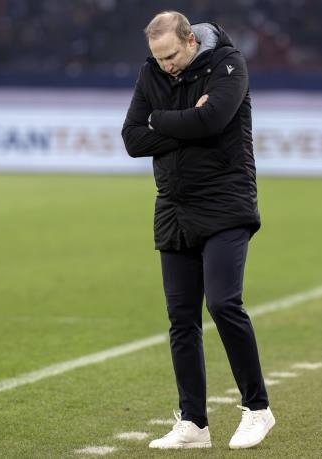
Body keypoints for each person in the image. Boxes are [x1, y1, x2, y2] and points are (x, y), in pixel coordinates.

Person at [121, 10, 274, 450]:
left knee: (223, 303)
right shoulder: (151, 72)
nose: (165, 65)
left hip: (226, 202)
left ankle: (258, 408)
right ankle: (194, 424)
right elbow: (132, 138)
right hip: (174, 207)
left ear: (190, 41)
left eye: (171, 56)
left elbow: (214, 121)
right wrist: (187, 120)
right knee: (181, 320)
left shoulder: (228, 64)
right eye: (158, 58)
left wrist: (159, 119)